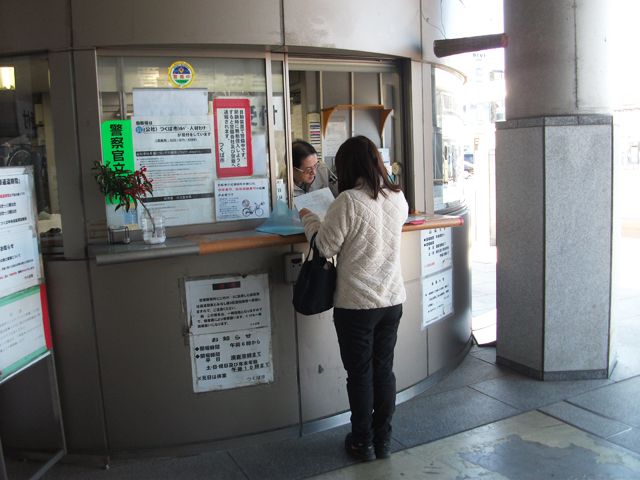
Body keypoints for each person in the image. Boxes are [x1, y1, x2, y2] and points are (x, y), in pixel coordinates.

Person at [298, 135, 408, 462]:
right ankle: (382, 439)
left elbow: (325, 246)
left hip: (357, 304)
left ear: (348, 166)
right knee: (383, 371)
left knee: (360, 376)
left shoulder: (348, 201)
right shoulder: (397, 197)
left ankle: (362, 442)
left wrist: (309, 219)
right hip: (391, 300)